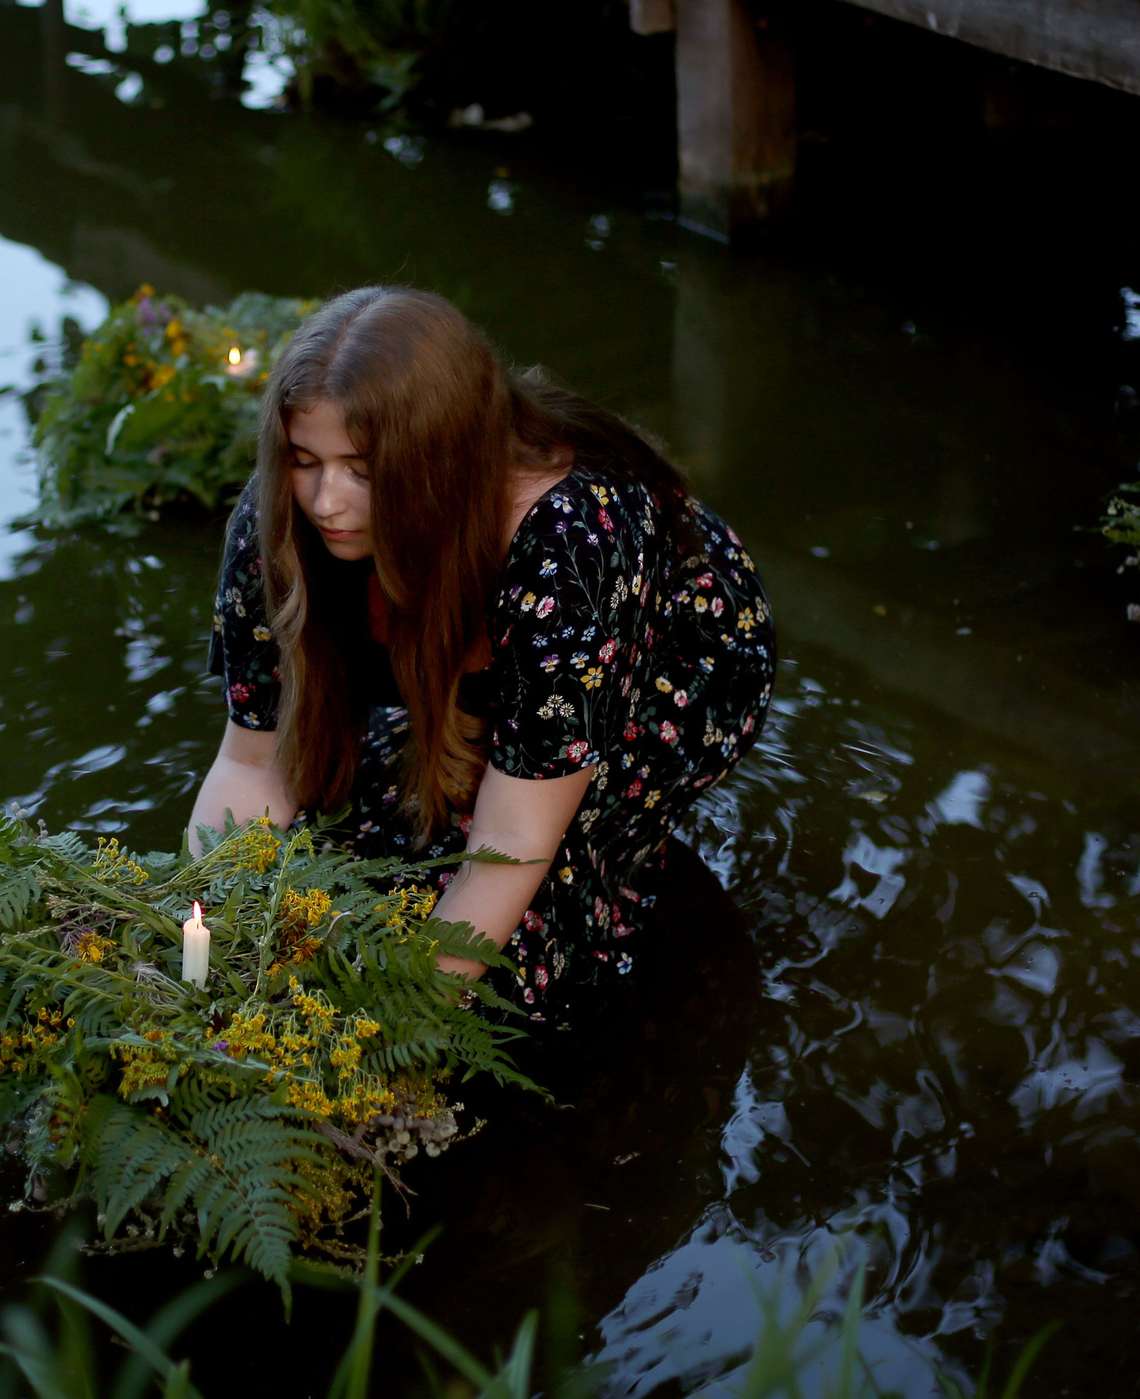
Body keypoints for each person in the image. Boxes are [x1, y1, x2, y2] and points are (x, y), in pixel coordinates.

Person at [187, 286, 775, 1023]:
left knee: (521, 957)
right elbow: (252, 762)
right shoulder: (278, 520)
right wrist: (200, 928)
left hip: (667, 669)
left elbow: (512, 839)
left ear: (439, 463)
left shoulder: (569, 544)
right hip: (494, 642)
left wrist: (400, 1027)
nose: (326, 501)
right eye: (306, 459)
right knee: (348, 856)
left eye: (364, 470)